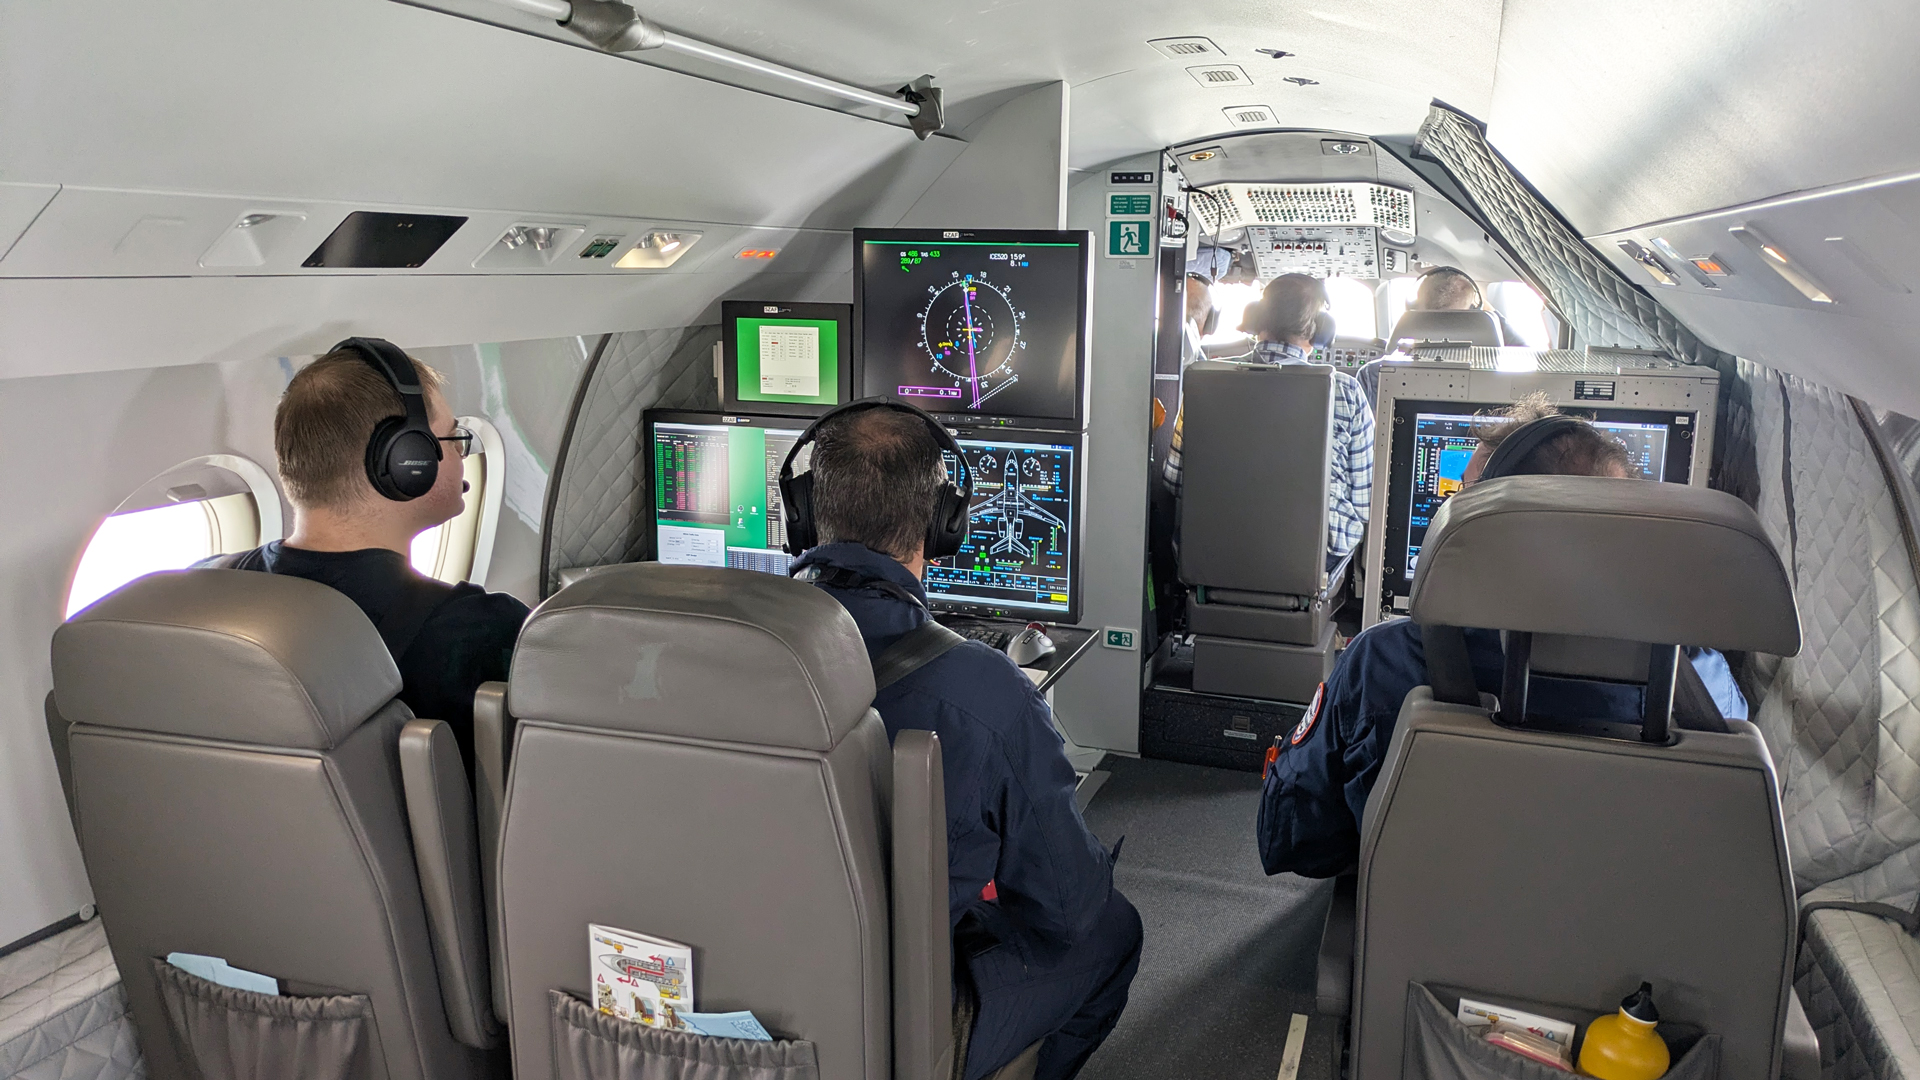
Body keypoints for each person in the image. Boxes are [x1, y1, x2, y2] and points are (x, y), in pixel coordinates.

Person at [787, 403, 1140, 1080]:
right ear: (942, 526)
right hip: (884, 1025)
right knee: (1112, 930)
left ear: (804, 513)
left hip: (731, 1000)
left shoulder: (721, 656)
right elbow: (1068, 911)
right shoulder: (982, 690)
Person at [1256, 398, 1749, 879]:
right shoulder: (1706, 688)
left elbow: (1295, 840)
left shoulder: (1387, 662)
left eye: (1465, 503)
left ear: (1494, 532)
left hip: (1422, 945)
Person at [198, 338, 529, 767]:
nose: (461, 455)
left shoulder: (205, 592)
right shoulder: (483, 631)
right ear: (408, 459)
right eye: (452, 439)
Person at [1168, 274, 1374, 564]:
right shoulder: (1347, 391)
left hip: (1212, 557)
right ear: (1320, 329)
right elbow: (1365, 506)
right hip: (1312, 564)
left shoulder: (1204, 377)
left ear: (1256, 317)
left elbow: (1175, 480)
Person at [1359, 265, 1530, 405]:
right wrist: (1488, 314)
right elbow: (1529, 354)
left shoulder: (1372, 374)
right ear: (1474, 312)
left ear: (1414, 307)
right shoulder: (1509, 377)